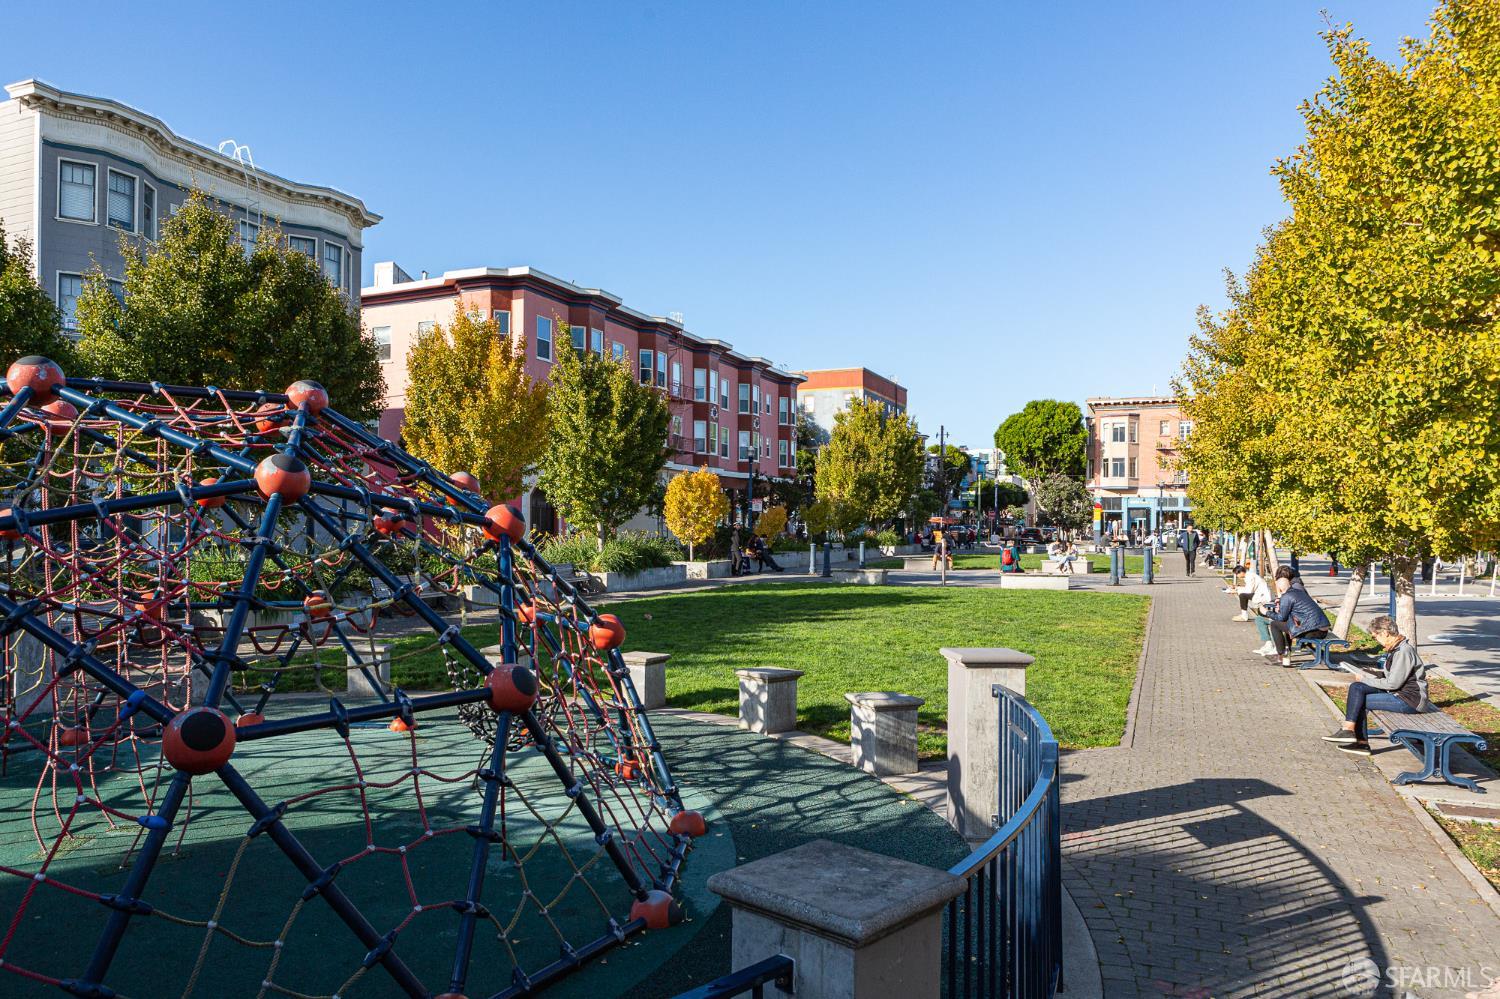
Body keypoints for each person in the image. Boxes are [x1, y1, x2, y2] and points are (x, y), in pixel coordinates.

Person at [1321, 615, 1430, 755]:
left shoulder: (1403, 651)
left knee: (1359, 700)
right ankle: (1353, 736)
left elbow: (1393, 683)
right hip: (1399, 694)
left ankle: (1356, 737)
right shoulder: (1396, 649)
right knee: (1357, 688)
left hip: (1410, 700)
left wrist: (1365, 679)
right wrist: (1370, 673)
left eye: (1375, 637)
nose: (1376, 640)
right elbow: (1392, 675)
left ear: (1384, 633)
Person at [1265, 571, 1330, 667]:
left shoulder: (1287, 596)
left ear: (1279, 588)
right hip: (1321, 628)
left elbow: (1281, 617)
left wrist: (1266, 612)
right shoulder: (1297, 592)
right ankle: (1286, 653)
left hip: (1314, 631)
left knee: (1275, 624)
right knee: (1287, 626)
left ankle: (1281, 656)